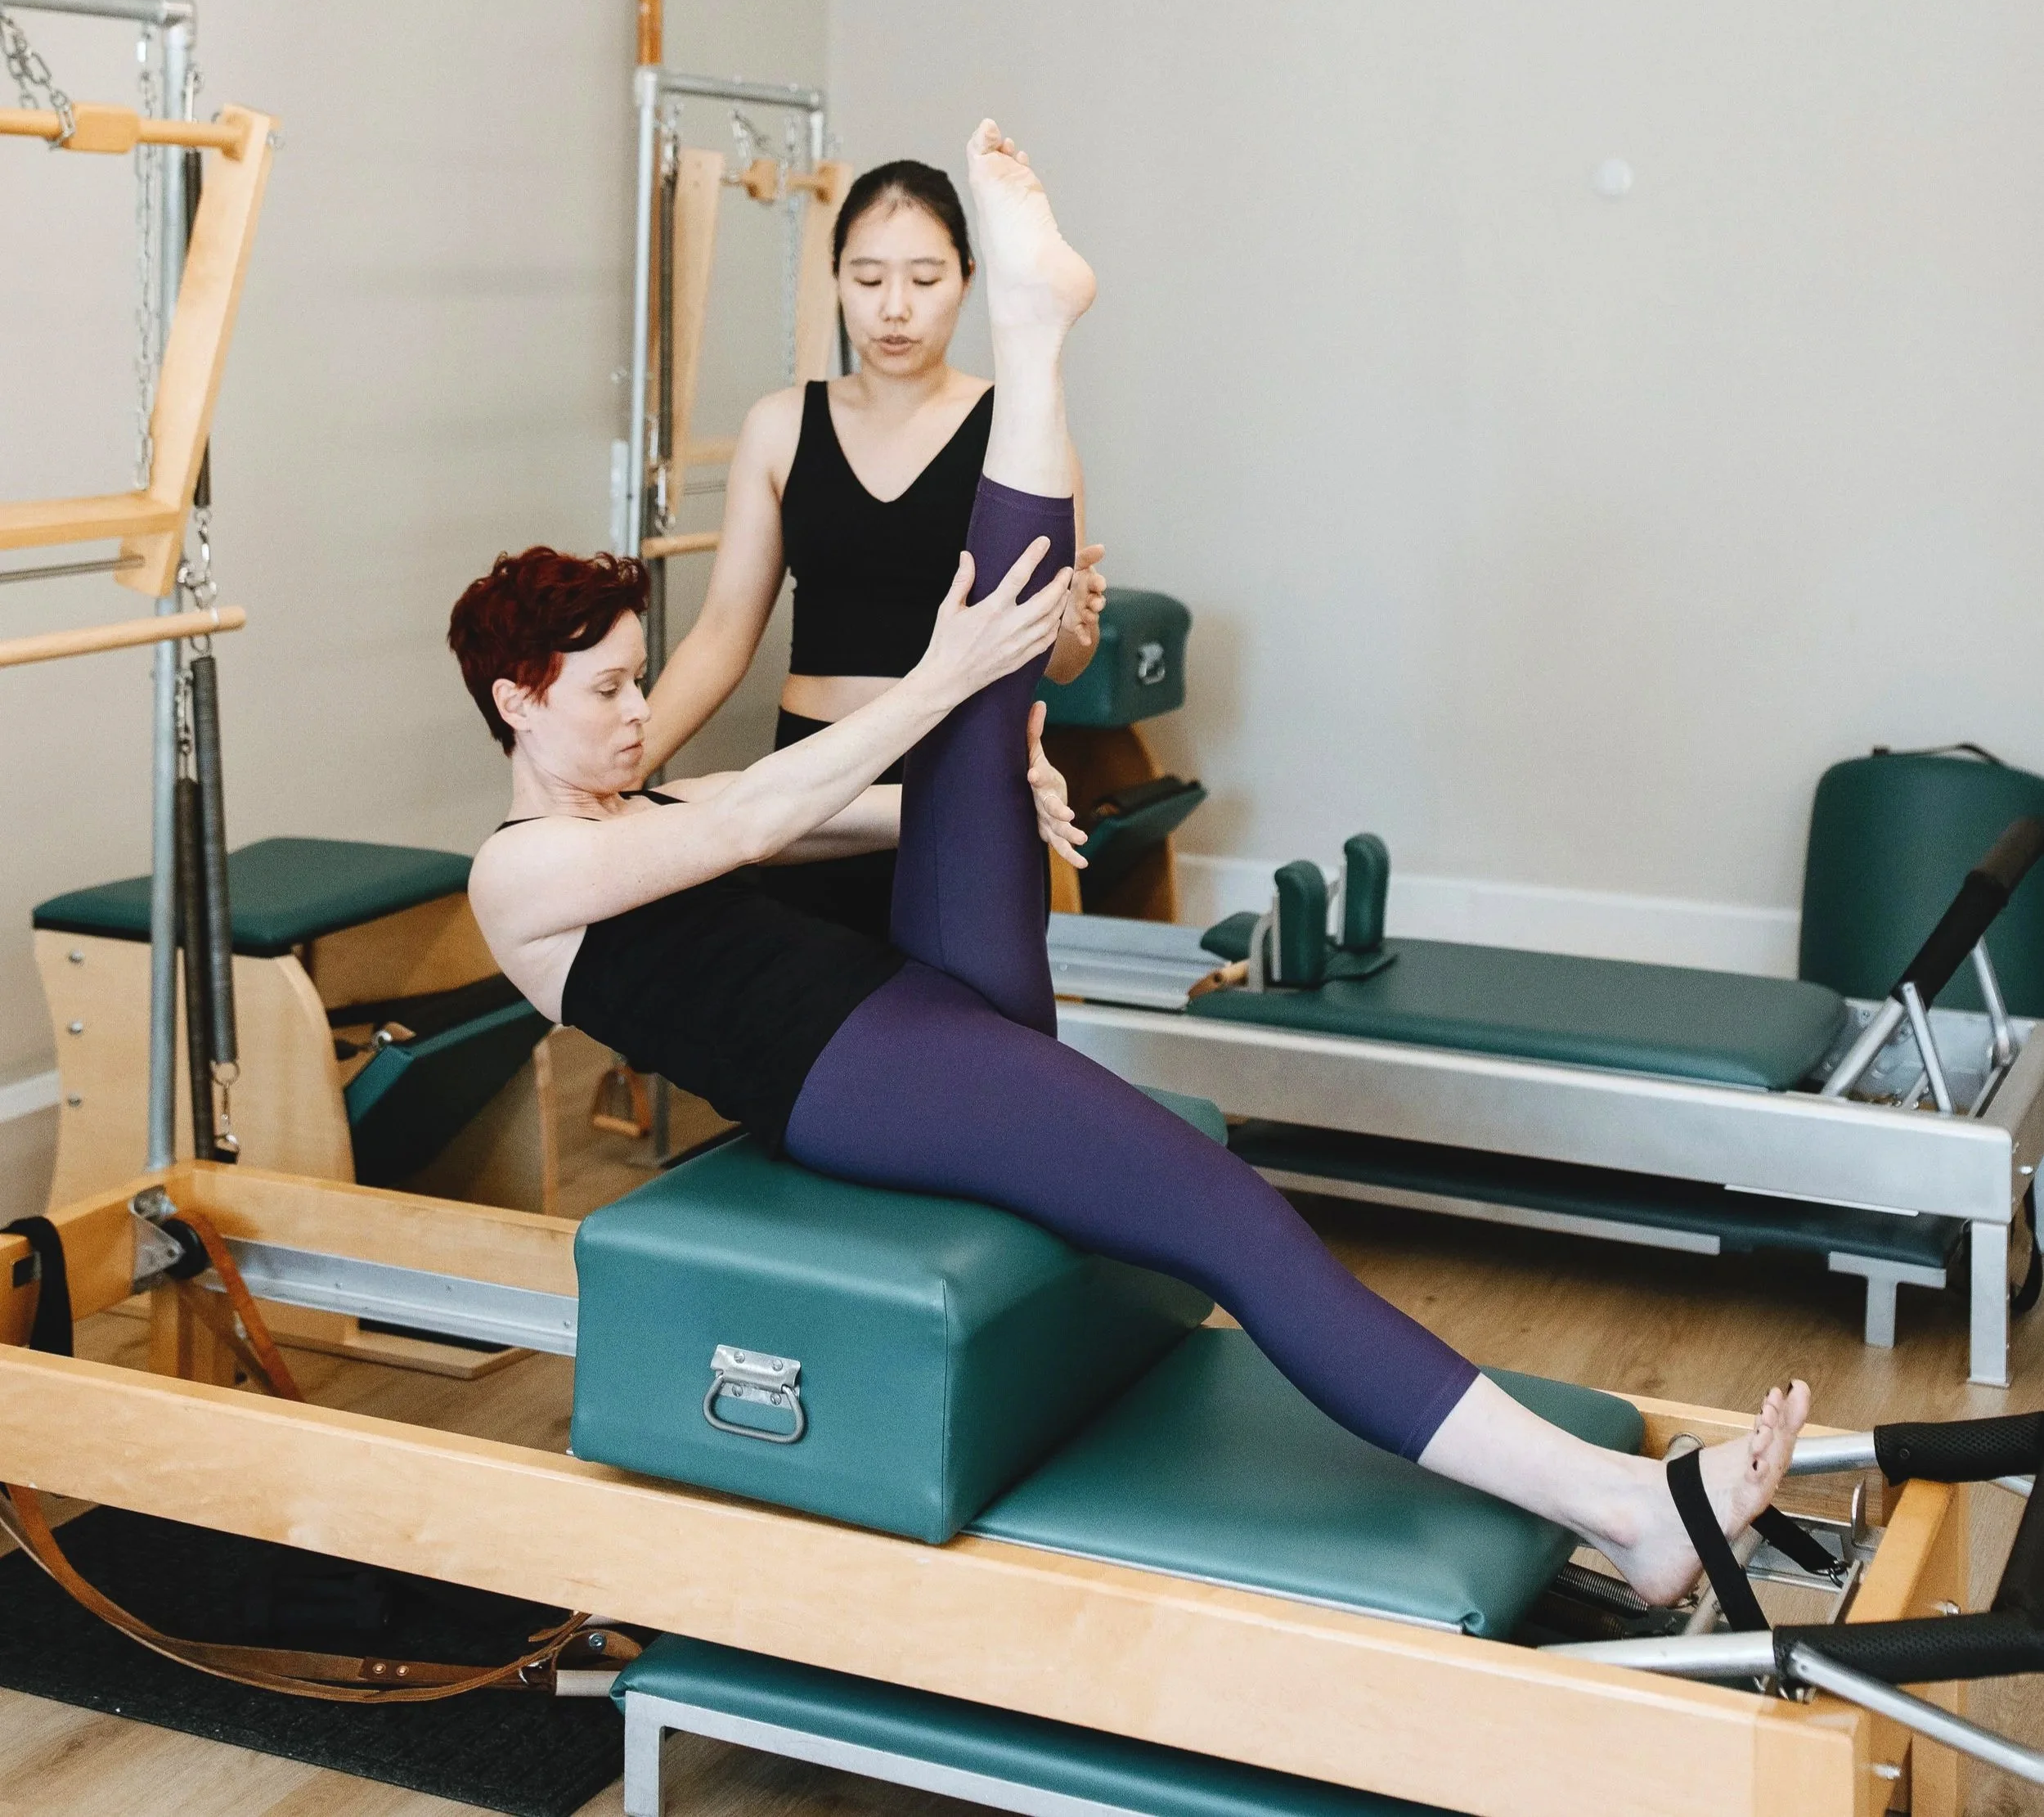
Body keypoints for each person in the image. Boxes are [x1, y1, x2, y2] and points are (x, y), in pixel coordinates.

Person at [456, 119, 1808, 1608]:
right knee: (1228, 1217)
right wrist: (938, 684)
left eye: (637, 681)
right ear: (518, 703)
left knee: (991, 710)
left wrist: (982, 794)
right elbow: (749, 824)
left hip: (914, 996)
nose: (637, 710)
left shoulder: (633, 806)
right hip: (853, 1075)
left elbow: (820, 812)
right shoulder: (516, 876)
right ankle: (1621, 1511)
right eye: (607, 691)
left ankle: (1035, 338)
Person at [636, 156, 1107, 939]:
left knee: (963, 1009)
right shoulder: (779, 426)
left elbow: (1059, 661)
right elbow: (721, 635)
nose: (894, 308)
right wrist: (613, 767)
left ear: (967, 278)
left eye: (924, 280)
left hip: (959, 773)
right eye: (867, 278)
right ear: (836, 279)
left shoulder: (1021, 431)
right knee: (813, 1007)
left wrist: (1075, 625)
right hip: (811, 780)